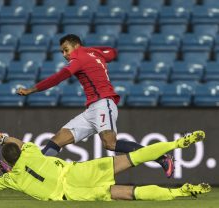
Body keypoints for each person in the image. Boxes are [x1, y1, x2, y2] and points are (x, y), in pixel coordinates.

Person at [16, 34, 174, 178]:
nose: (65, 55)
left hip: (103, 103)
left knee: (110, 143)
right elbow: (112, 52)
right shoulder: (93, 54)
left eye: (66, 50)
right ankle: (29, 172)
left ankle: (161, 157)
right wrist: (89, 50)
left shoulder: (78, 58)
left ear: (76, 46)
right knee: (58, 139)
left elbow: (59, 77)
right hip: (92, 109)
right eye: (62, 52)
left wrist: (31, 90)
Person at [0, 125, 211, 201]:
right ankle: (177, 143)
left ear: (7, 163)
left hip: (71, 193)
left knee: (127, 193)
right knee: (131, 158)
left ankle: (179, 192)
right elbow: (16, 141)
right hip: (79, 173)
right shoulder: (30, 151)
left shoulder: (12, 179)